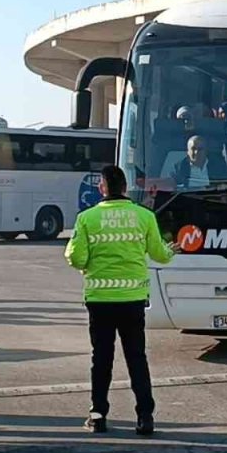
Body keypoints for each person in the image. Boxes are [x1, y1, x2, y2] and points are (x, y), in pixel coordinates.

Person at [65, 166, 177, 435]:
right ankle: (145, 417)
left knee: (101, 358)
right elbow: (160, 255)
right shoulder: (144, 216)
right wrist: (171, 251)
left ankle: (98, 415)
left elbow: (76, 258)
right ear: (125, 188)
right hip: (133, 299)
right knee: (136, 357)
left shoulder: (86, 219)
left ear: (102, 187)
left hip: (100, 300)